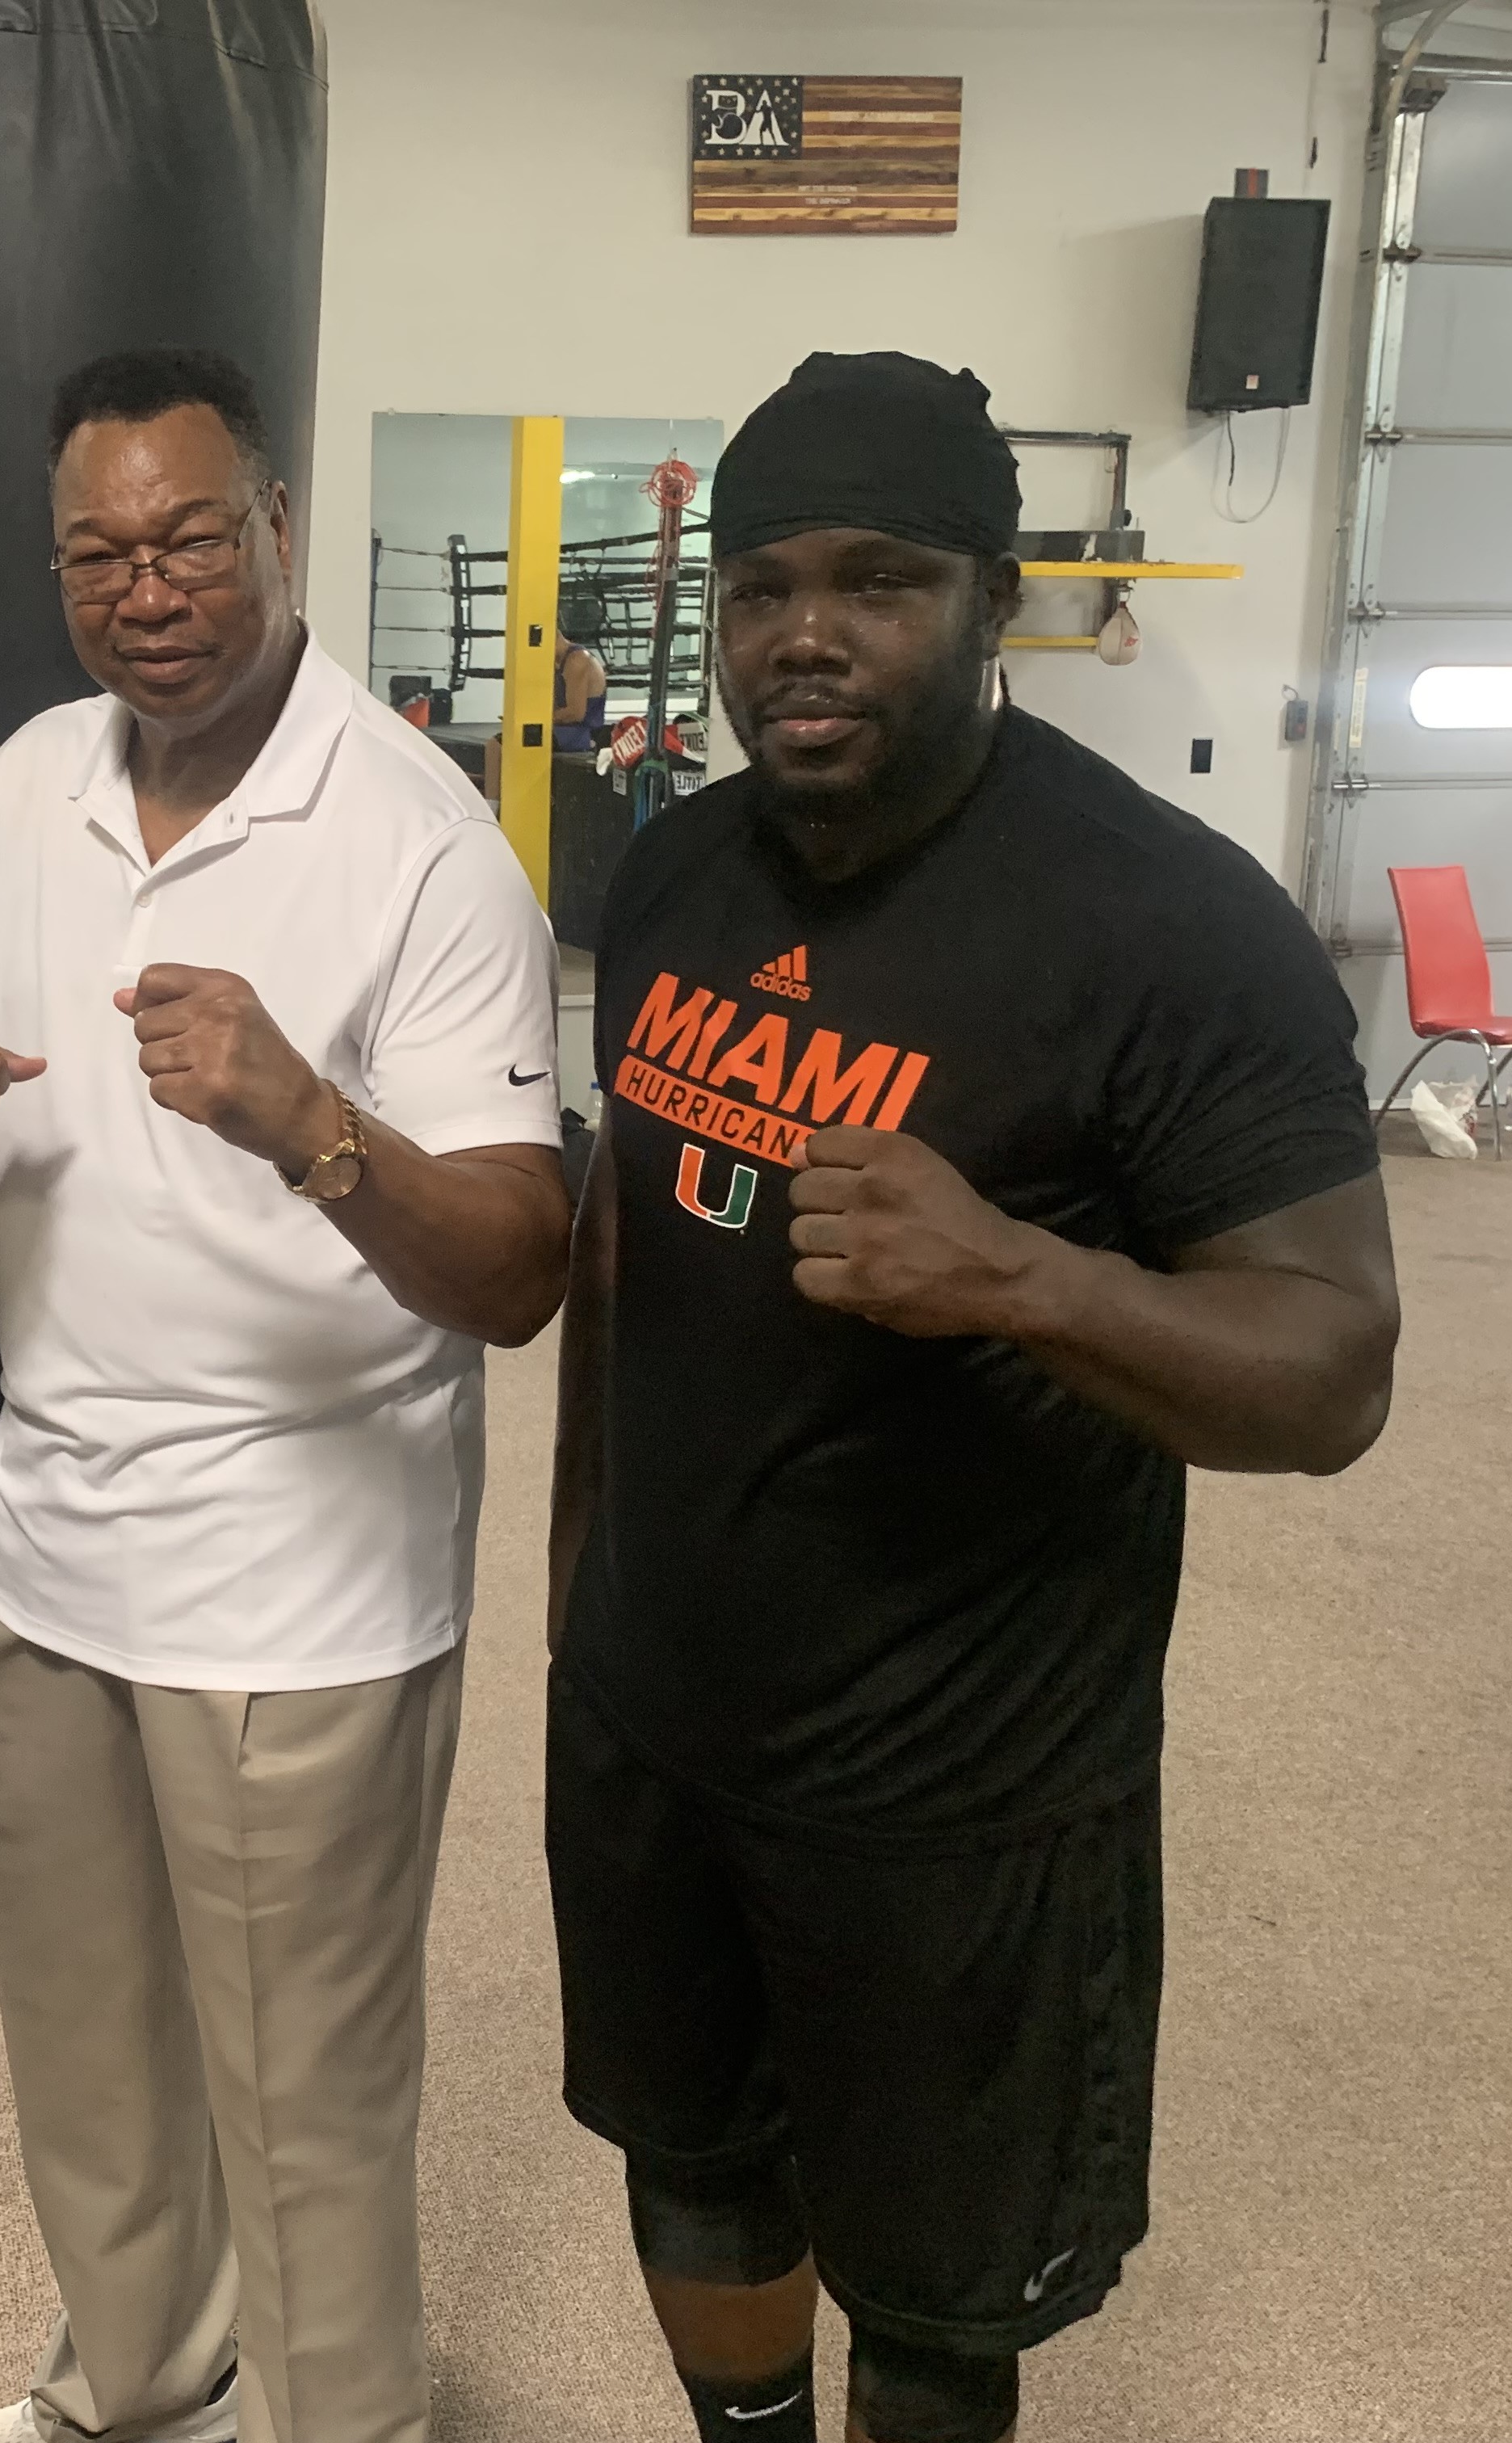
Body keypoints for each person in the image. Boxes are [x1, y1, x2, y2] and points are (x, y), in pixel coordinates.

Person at [545, 352, 1398, 2443]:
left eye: (879, 579)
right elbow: (628, 1244)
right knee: (696, 2158)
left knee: (937, 2295)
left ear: (995, 599)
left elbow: (1335, 1369)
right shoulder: (674, 873)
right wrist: (586, 1594)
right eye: (760, 586)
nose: (805, 634)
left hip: (964, 1777)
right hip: (661, 1717)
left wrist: (1016, 1273)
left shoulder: (1170, 927)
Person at [0, 344, 571, 2443]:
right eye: (98, 553)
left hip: (300, 1590)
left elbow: (521, 1268)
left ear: (274, 526)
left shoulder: (423, 845)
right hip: (52, 1551)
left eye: (187, 538)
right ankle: (137, 2391)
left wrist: (309, 1121)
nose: (145, 587)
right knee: (85, 2061)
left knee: (309, 2110)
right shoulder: (26, 785)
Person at [552, 588, 611, 753]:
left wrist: (540, 719)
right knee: (495, 745)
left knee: (523, 742)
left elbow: (575, 713)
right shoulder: (555, 662)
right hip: (563, 730)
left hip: (581, 733)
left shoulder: (577, 660)